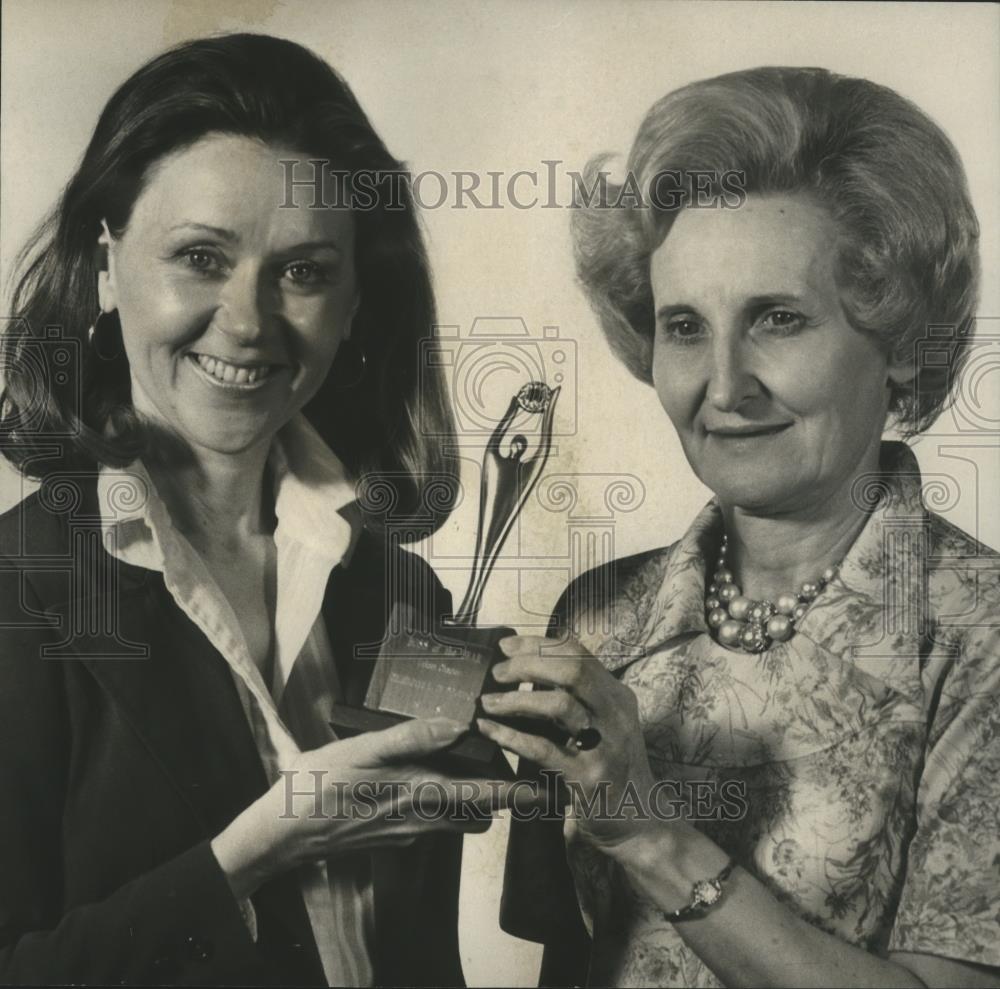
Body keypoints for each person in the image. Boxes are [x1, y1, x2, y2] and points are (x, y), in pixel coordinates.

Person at [0, 33, 500, 987]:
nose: (246, 322)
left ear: (357, 302)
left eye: (304, 272)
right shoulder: (15, 595)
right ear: (105, 264)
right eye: (200, 257)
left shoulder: (405, 594)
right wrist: (250, 855)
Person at [486, 67, 1000, 987]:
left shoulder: (978, 639)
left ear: (899, 346)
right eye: (684, 326)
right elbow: (568, 962)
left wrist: (652, 833)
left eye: (777, 318)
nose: (723, 386)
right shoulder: (598, 617)